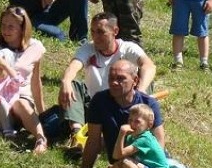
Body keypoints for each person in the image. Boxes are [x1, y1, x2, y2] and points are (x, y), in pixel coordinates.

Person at [78, 60, 212, 168]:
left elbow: (159, 141)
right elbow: (93, 142)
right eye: (111, 78)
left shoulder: (148, 103)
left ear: (135, 80)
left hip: (151, 157)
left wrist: (150, 166)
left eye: (120, 79)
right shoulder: (100, 101)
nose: (114, 83)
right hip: (123, 163)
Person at [58, 12, 155, 143]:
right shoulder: (88, 48)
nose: (95, 37)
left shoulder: (127, 48)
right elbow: (74, 66)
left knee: (146, 81)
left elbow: (149, 66)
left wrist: (141, 90)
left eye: (100, 32)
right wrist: (66, 81)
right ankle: (77, 135)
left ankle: (134, 132)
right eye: (92, 32)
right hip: (95, 107)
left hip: (124, 107)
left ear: (115, 31)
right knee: (73, 83)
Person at [0, 7, 48, 154]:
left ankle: (41, 139)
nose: (5, 30)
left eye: (11, 27)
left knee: (21, 104)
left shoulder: (35, 48)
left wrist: (42, 113)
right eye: (3, 25)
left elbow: (35, 82)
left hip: (18, 97)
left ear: (22, 29)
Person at [111, 103, 172, 168]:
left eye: (137, 121)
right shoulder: (132, 137)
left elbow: (120, 155)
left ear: (149, 124)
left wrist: (122, 133)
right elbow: (116, 156)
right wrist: (122, 135)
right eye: (130, 120)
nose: (132, 124)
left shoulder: (145, 138)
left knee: (126, 161)